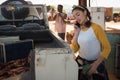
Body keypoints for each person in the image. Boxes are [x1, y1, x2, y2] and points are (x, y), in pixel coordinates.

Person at [70, 5, 111, 80]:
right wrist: (76, 33)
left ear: (85, 13)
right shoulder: (78, 29)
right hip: (81, 62)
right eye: (74, 17)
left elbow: (107, 48)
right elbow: (75, 49)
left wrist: (95, 65)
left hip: (96, 63)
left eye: (78, 14)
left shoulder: (96, 28)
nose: (77, 18)